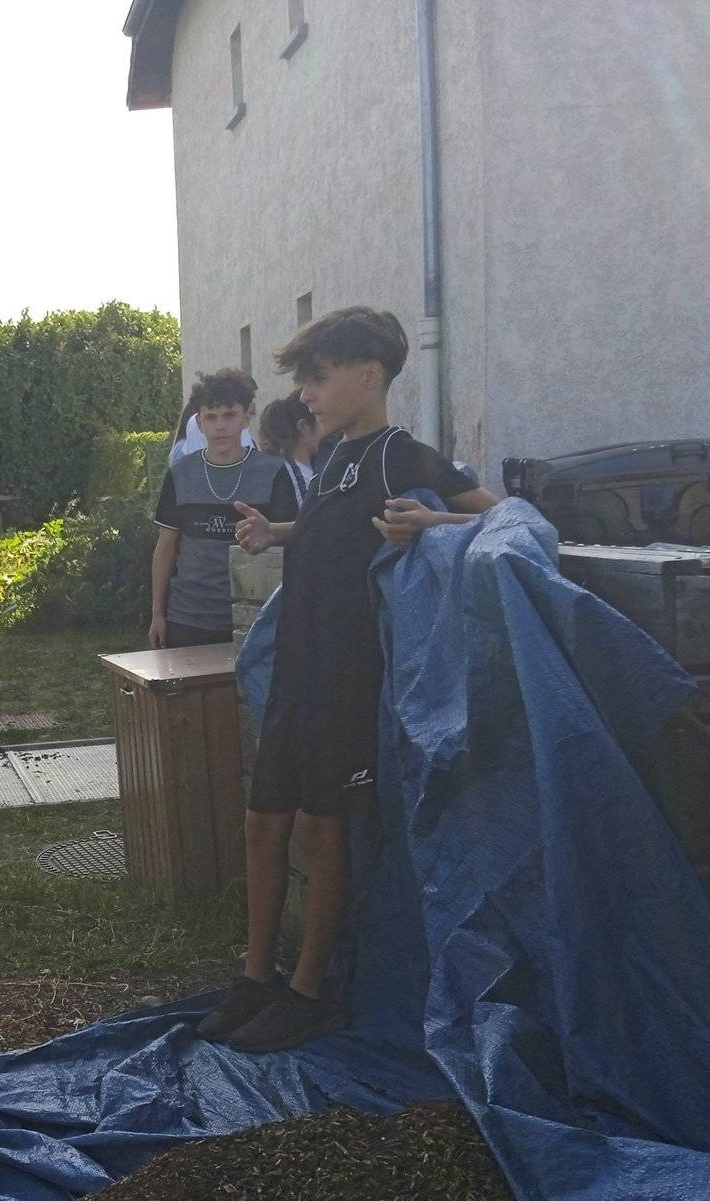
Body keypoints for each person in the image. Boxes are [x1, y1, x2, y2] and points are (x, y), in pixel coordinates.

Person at [196, 307, 501, 1052]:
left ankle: (310, 993)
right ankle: (256, 978)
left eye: (318, 378)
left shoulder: (404, 456)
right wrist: (273, 533)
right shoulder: (333, 457)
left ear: (368, 377)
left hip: (348, 678)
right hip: (297, 670)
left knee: (321, 827)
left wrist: (431, 525)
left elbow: (508, 518)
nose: (306, 394)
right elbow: (333, 532)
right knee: (263, 821)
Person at [149, 368, 294, 649]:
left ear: (246, 417)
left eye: (229, 415)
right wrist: (157, 613)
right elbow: (166, 546)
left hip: (255, 617)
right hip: (188, 617)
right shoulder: (180, 474)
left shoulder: (274, 472)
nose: (220, 426)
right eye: (211, 417)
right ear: (199, 422)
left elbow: (290, 542)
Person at [256, 389, 323, 512]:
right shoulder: (293, 477)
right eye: (320, 420)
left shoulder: (311, 469)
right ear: (304, 427)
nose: (327, 429)